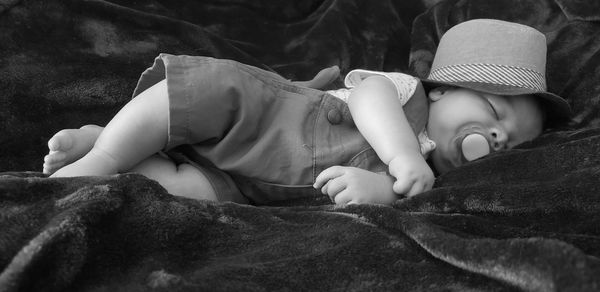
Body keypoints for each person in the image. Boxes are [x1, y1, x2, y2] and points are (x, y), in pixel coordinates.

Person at [43, 19, 571, 205]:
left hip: (250, 184)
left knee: (189, 193)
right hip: (257, 115)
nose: (498, 138)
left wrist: (380, 191)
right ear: (440, 91)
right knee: (194, 96)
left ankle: (116, 147)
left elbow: (385, 192)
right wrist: (401, 155)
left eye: (512, 139)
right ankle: (106, 152)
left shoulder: (426, 177)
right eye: (492, 110)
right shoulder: (404, 93)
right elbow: (366, 98)